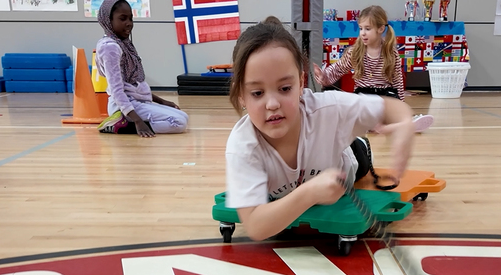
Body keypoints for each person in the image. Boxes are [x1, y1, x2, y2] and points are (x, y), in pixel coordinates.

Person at [225, 17, 417, 241]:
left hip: (346, 159)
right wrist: (309, 193)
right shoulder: (242, 146)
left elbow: (394, 108)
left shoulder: (328, 109)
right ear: (241, 95)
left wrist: (405, 125)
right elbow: (256, 227)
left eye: (285, 88)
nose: (272, 104)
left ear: (301, 82)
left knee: (358, 155)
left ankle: (358, 141)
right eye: (257, 93)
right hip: (313, 180)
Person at [314, 6, 435, 133]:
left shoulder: (391, 53)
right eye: (361, 29)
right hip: (364, 96)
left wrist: (401, 106)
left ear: (380, 29)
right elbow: (338, 69)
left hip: (386, 95)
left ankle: (400, 122)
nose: (363, 33)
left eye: (368, 29)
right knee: (353, 108)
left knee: (391, 108)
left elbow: (398, 81)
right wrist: (324, 76)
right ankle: (386, 125)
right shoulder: (354, 52)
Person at [95, 0, 189, 136]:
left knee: (183, 116)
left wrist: (162, 101)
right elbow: (116, 90)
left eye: (130, 19)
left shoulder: (123, 43)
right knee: (178, 123)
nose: (129, 23)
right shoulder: (110, 47)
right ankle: (121, 126)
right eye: (122, 19)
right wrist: (138, 122)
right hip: (123, 107)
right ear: (108, 20)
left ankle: (132, 122)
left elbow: (134, 86)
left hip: (136, 101)